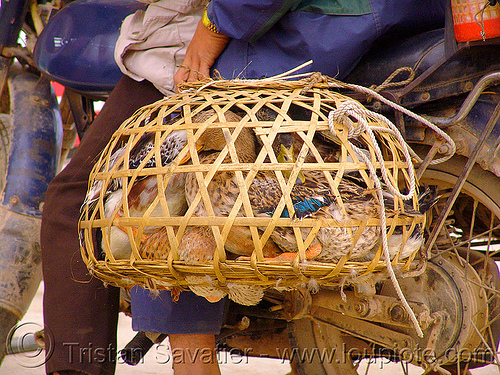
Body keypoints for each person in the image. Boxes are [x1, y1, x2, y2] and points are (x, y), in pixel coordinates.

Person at [41, 1, 445, 374]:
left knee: (120, 188)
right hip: (396, 17)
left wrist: (213, 25)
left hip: (313, 25)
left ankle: (166, 363)